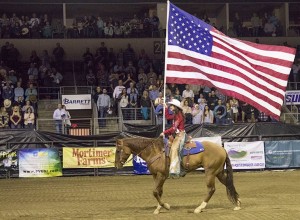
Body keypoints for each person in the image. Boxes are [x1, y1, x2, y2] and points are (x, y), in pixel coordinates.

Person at [160, 99, 186, 178]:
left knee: (174, 149)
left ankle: (175, 171)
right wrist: (166, 108)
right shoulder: (176, 115)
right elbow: (168, 117)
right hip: (177, 135)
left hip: (180, 135)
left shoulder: (179, 116)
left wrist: (164, 132)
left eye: (171, 106)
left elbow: (174, 128)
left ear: (175, 107)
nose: (170, 107)